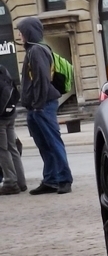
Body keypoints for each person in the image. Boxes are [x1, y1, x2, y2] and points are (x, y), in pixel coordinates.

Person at [15, 17, 72, 195]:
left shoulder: (37, 51)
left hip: (43, 105)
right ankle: (51, 179)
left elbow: (41, 79)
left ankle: (64, 179)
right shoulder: (33, 50)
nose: (19, 34)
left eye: (21, 31)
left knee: (53, 143)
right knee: (44, 144)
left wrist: (38, 105)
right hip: (37, 106)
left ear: (28, 32)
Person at [0, 63, 26, 194]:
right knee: (13, 148)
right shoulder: (3, 69)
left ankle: (10, 182)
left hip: (1, 118)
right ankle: (21, 182)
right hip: (11, 114)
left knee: (2, 150)